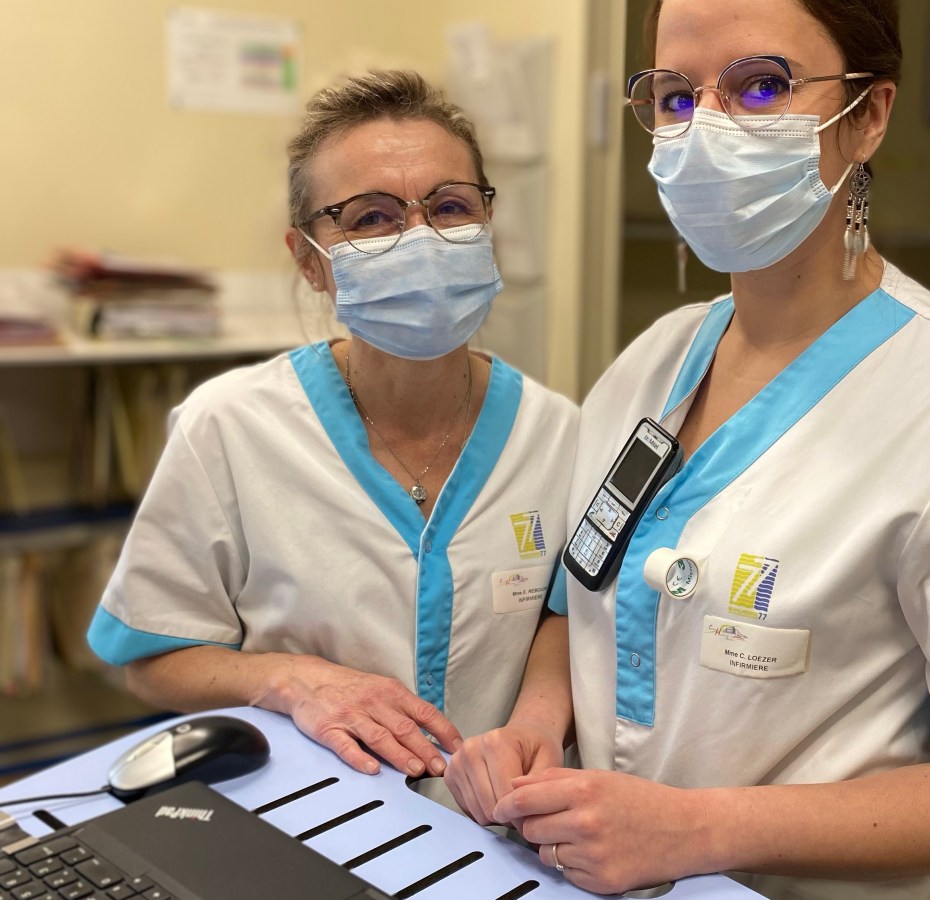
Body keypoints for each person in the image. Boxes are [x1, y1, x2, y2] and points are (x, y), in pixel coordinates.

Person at [443, 2, 930, 897]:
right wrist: (536, 720)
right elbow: (580, 599)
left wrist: (696, 829)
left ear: (868, 115)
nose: (709, 128)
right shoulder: (649, 365)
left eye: (762, 86)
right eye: (677, 97)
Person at [87, 70, 578, 785]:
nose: (422, 239)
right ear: (309, 262)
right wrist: (289, 679)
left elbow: (563, 618)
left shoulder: (559, 434)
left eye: (449, 207)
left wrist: (537, 724)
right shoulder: (229, 428)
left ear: (486, 226)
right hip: (303, 819)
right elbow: (152, 660)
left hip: (496, 831)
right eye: (370, 218)